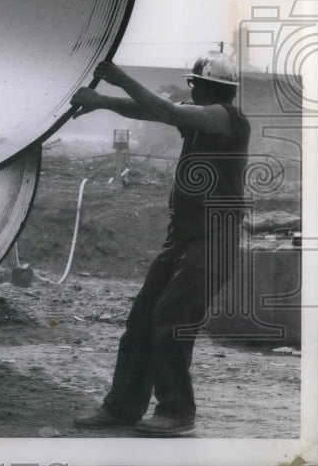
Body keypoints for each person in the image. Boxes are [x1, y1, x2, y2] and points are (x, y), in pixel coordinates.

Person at [68, 54, 250, 436]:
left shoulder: (227, 119)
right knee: (141, 319)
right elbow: (150, 109)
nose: (191, 88)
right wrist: (102, 101)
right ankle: (123, 407)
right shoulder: (199, 119)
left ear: (206, 87)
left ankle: (177, 411)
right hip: (182, 235)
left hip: (214, 237)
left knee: (172, 318)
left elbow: (166, 111)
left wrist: (119, 78)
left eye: (193, 83)